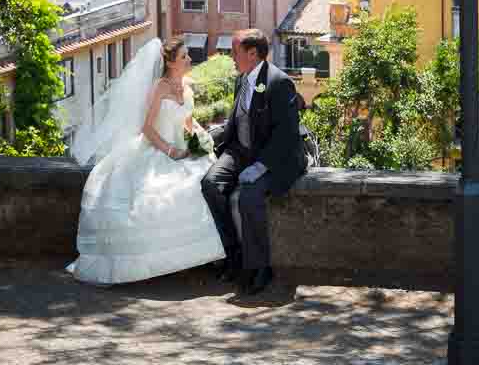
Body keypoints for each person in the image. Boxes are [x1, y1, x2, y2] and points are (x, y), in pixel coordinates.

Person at [67, 37, 224, 285]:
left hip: (183, 148)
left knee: (203, 182)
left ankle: (200, 258)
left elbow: (187, 120)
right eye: (184, 56)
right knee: (160, 195)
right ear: (171, 62)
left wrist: (199, 138)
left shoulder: (186, 84)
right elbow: (147, 129)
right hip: (158, 148)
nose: (189, 59)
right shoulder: (159, 87)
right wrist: (171, 152)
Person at [201, 29, 307, 296]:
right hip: (240, 151)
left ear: (252, 53)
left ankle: (260, 268)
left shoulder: (278, 82)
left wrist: (261, 166)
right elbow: (237, 121)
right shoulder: (242, 79)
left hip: (274, 157)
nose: (231, 56)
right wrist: (206, 137)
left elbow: (286, 134)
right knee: (211, 184)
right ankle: (233, 256)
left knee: (249, 194)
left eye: (235, 51)